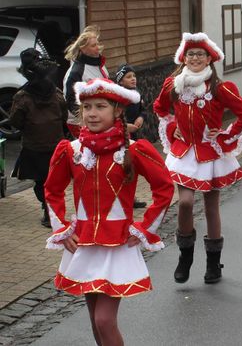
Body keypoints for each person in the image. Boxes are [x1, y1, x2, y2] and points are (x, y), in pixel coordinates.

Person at [44, 78, 174, 346]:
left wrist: (145, 227)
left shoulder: (134, 149)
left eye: (100, 106)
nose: (92, 113)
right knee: (94, 319)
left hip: (117, 245)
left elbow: (164, 188)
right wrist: (61, 230)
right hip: (82, 245)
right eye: (87, 107)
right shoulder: (70, 150)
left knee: (104, 319)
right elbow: (52, 190)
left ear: (117, 111)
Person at [153, 32, 242, 284]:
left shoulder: (220, 88)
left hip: (211, 154)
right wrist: (171, 128)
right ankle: (185, 255)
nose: (195, 58)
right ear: (183, 57)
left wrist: (224, 135)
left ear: (210, 58)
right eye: (191, 54)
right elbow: (159, 108)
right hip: (184, 152)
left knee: (211, 207)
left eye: (200, 54)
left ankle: (213, 263)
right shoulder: (173, 84)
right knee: (186, 202)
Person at [10, 49, 67, 227]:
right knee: (54, 180)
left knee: (41, 181)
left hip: (34, 146)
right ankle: (53, 211)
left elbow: (16, 122)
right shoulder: (56, 94)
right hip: (55, 144)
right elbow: (64, 117)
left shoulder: (22, 97)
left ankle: (48, 210)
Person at [62, 25, 109, 137]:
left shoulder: (99, 63)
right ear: (83, 49)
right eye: (93, 45)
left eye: (97, 44)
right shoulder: (77, 71)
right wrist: (85, 121)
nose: (98, 47)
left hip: (99, 116)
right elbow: (71, 99)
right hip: (81, 122)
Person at [114, 64, 148, 209]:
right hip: (120, 137)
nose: (133, 79)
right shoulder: (117, 98)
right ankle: (119, 197)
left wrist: (141, 118)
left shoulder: (137, 94)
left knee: (132, 167)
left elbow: (143, 110)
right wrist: (125, 126)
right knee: (122, 167)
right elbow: (113, 118)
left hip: (133, 136)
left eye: (134, 76)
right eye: (128, 77)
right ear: (120, 81)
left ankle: (130, 197)